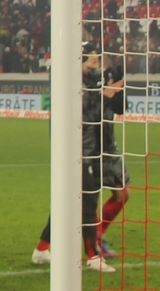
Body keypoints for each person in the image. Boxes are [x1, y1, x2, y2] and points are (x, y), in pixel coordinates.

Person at [34, 47, 123, 273]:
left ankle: (42, 249)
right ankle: (93, 256)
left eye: (96, 54)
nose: (96, 57)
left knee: (70, 203)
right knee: (87, 202)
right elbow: (83, 116)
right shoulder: (70, 84)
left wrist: (115, 91)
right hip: (77, 150)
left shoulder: (95, 82)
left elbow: (117, 110)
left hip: (93, 149)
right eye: (89, 55)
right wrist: (102, 96)